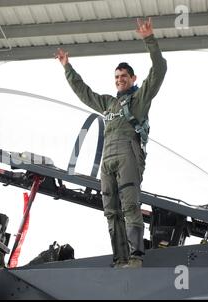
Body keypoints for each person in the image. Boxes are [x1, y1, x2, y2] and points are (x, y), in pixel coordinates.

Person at [55, 18, 167, 268]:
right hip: (108, 160)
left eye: (124, 76)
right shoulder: (107, 103)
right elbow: (84, 92)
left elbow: (159, 70)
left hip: (129, 153)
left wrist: (149, 39)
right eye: (116, 76)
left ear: (132, 78)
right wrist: (67, 67)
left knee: (129, 205)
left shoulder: (139, 99)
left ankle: (136, 257)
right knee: (111, 211)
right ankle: (120, 259)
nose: (119, 80)